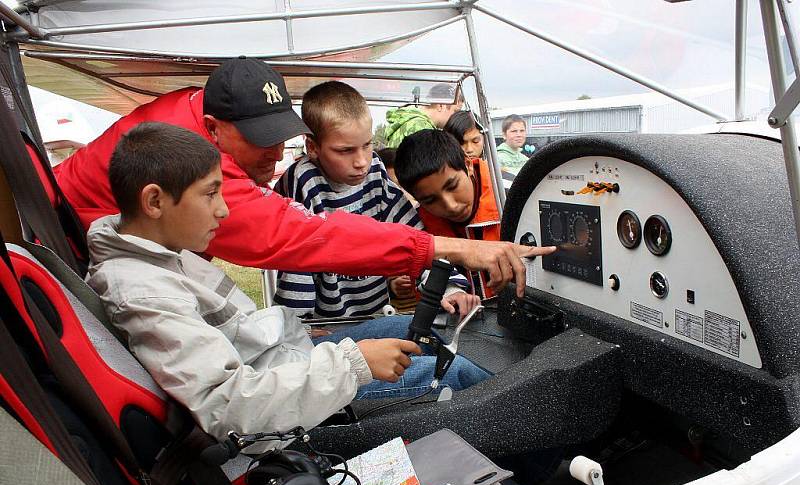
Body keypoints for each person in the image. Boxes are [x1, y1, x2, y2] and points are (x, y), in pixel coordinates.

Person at [86, 122, 490, 450]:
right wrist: (355, 364)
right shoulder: (144, 291)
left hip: (292, 361)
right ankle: (542, 474)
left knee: (414, 331)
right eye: (210, 194)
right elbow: (227, 406)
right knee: (453, 372)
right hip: (288, 402)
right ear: (154, 202)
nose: (223, 210)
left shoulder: (164, 255)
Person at [54, 56, 550, 300]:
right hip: (66, 250)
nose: (275, 153)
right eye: (259, 138)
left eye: (279, 135)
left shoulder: (194, 109)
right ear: (212, 129)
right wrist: (454, 249)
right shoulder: (188, 163)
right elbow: (300, 236)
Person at [274, 81, 474, 319]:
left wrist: (448, 288)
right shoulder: (303, 180)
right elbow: (295, 265)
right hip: (325, 323)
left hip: (377, 312)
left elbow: (416, 237)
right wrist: (299, 328)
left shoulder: (375, 174)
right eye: (345, 150)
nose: (361, 161)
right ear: (312, 147)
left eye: (367, 145)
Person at [396, 129, 555, 298]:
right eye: (430, 200)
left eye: (452, 186)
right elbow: (421, 272)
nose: (450, 206)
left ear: (468, 164)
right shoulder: (416, 225)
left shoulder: (520, 195)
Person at [383, 83, 463, 149]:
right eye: (455, 111)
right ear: (441, 105)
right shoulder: (421, 128)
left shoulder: (411, 122)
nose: (456, 117)